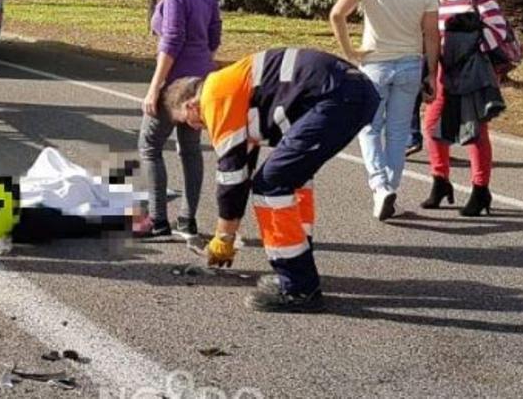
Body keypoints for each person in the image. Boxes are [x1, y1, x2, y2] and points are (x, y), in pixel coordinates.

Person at [163, 48, 380, 313]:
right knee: (292, 179)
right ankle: (298, 266)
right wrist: (228, 232)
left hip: (337, 97)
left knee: (272, 185)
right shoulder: (230, 86)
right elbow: (242, 169)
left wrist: (224, 237)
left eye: (189, 122)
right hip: (350, 92)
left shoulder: (214, 97)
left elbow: (231, 177)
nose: (197, 128)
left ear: (190, 105)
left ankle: (299, 287)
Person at [329, 0, 439, 222]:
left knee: (369, 127)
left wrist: (350, 52)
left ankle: (379, 185)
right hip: (410, 63)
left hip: (375, 62)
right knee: (399, 132)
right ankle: (389, 187)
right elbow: (431, 34)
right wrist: (432, 73)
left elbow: (337, 14)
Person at [137, 0, 222, 240]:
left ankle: (158, 220)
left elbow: (171, 42)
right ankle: (188, 219)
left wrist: (155, 87)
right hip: (202, 81)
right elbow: (214, 36)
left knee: (149, 146)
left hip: (176, 84)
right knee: (190, 150)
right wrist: (202, 64)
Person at [422, 0, 509, 217]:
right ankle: (440, 181)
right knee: (432, 126)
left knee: (475, 131)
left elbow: (499, 30)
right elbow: (433, 36)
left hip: (472, 72)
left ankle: (480, 189)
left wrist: (473, 53)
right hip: (445, 71)